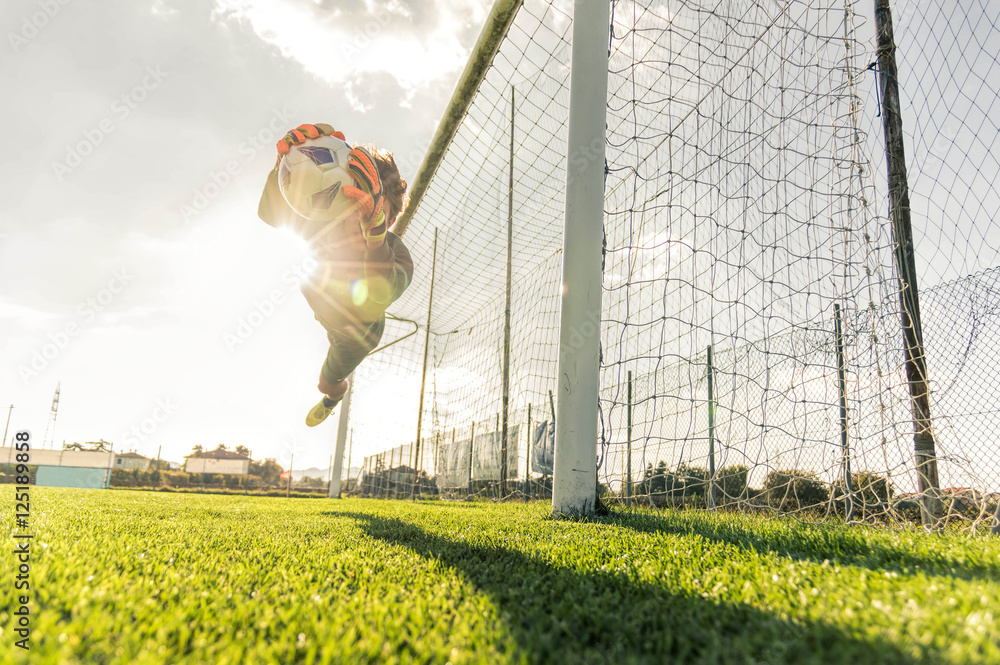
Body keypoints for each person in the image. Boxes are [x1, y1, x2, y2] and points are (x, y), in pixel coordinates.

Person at [257, 123, 413, 426]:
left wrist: (375, 239)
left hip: (353, 337)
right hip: (325, 312)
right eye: (350, 202)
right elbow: (269, 212)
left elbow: (375, 298)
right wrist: (284, 169)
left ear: (389, 220)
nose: (357, 216)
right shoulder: (322, 223)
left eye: (369, 209)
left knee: (325, 384)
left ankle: (335, 395)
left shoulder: (395, 253)